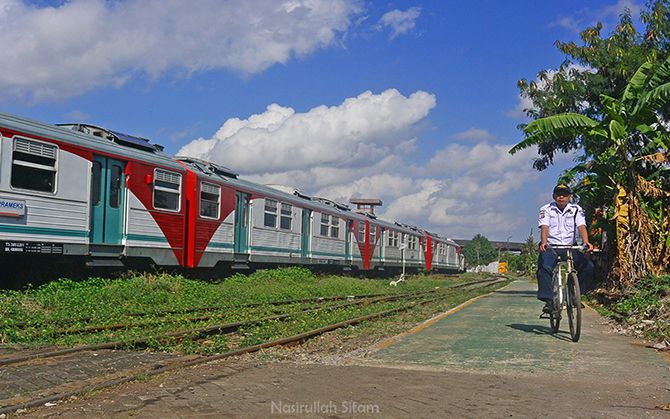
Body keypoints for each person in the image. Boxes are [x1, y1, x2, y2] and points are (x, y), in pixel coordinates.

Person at [537, 184, 594, 313]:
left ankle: (576, 294)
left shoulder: (576, 209)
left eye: (564, 194)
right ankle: (549, 301)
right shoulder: (546, 209)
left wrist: (586, 242)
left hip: (570, 247)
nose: (561, 197)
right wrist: (544, 242)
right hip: (551, 247)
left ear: (569, 197)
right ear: (554, 196)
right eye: (558, 194)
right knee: (543, 268)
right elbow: (544, 227)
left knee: (588, 267)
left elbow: (581, 226)